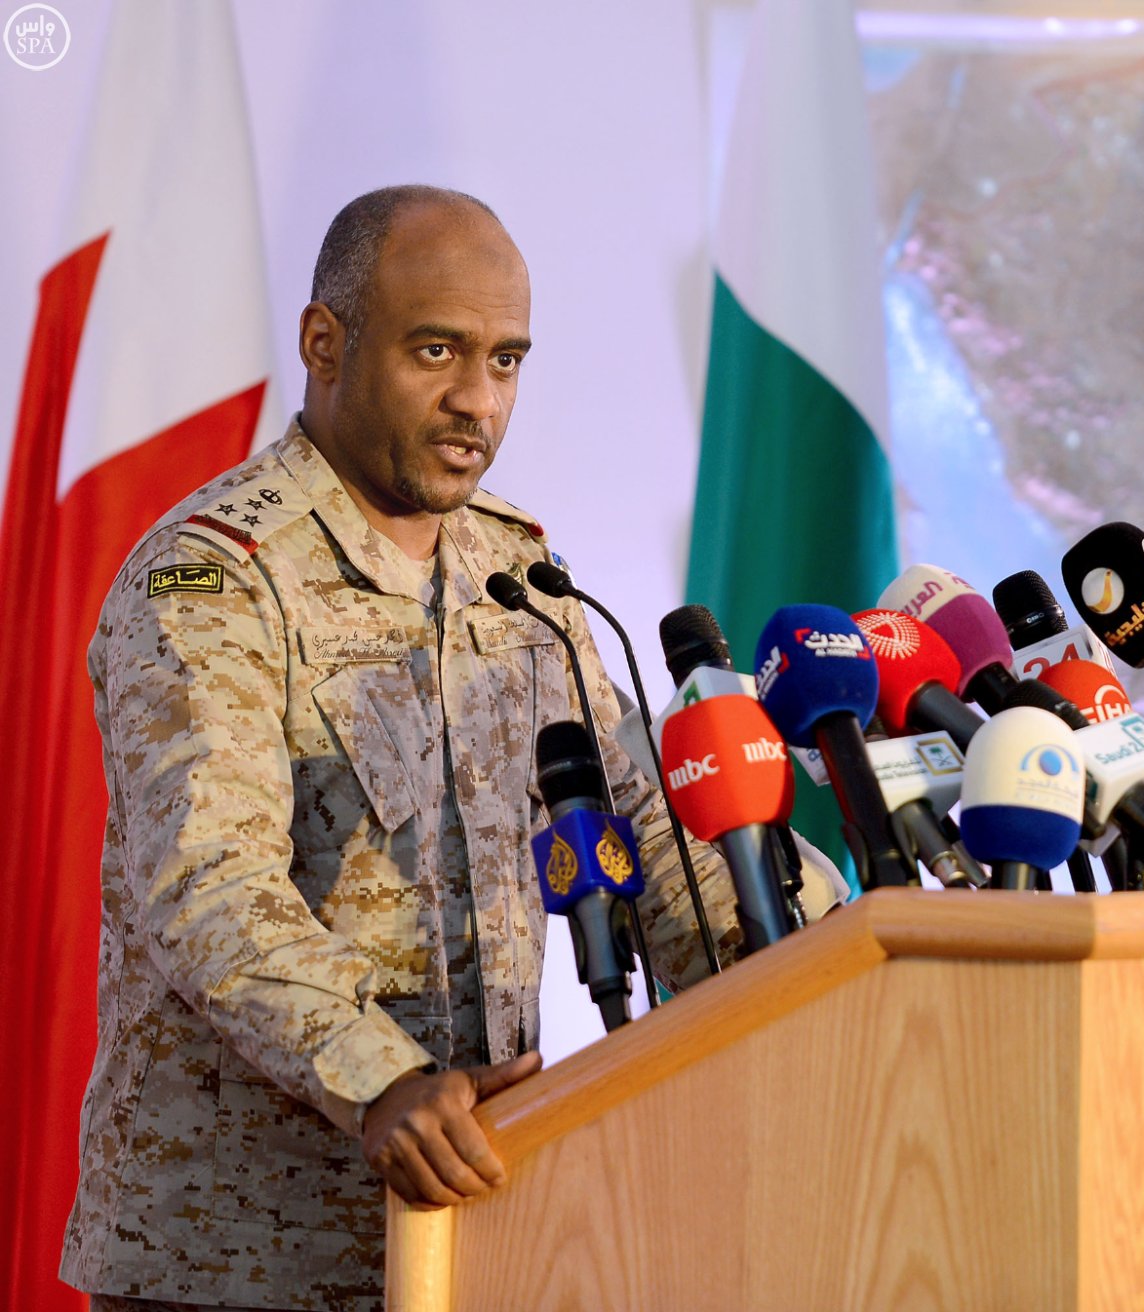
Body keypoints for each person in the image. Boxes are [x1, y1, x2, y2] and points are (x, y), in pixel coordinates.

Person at [59, 187, 754, 1312]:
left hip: (476, 1237)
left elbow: (640, 830)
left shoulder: (520, 575)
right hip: (239, 1264)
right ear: (324, 343)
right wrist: (378, 1077)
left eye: (506, 360)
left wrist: (809, 948)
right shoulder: (212, 577)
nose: (478, 399)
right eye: (437, 351)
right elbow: (208, 883)